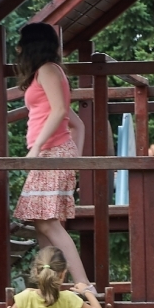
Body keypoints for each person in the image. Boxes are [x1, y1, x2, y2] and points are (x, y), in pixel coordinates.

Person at [13, 22, 91, 288]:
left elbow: (59, 111)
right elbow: (77, 124)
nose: (17, 49)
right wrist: (74, 161)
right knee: (42, 223)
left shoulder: (47, 70)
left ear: (31, 45)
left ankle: (83, 283)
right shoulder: (47, 72)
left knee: (48, 223)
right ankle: (50, 283)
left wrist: (37, 148)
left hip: (50, 152)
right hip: (54, 153)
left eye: (20, 44)